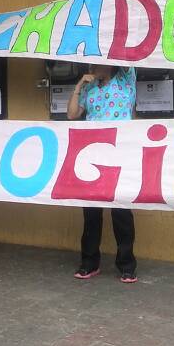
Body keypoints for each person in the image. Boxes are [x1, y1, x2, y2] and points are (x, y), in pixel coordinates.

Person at [66, 63, 138, 283]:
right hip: (93, 156)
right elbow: (71, 114)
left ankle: (127, 265)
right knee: (91, 213)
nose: (93, 66)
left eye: (97, 62)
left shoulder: (125, 80)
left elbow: (126, 56)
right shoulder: (90, 89)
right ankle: (89, 263)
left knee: (121, 213)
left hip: (119, 153)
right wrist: (79, 86)